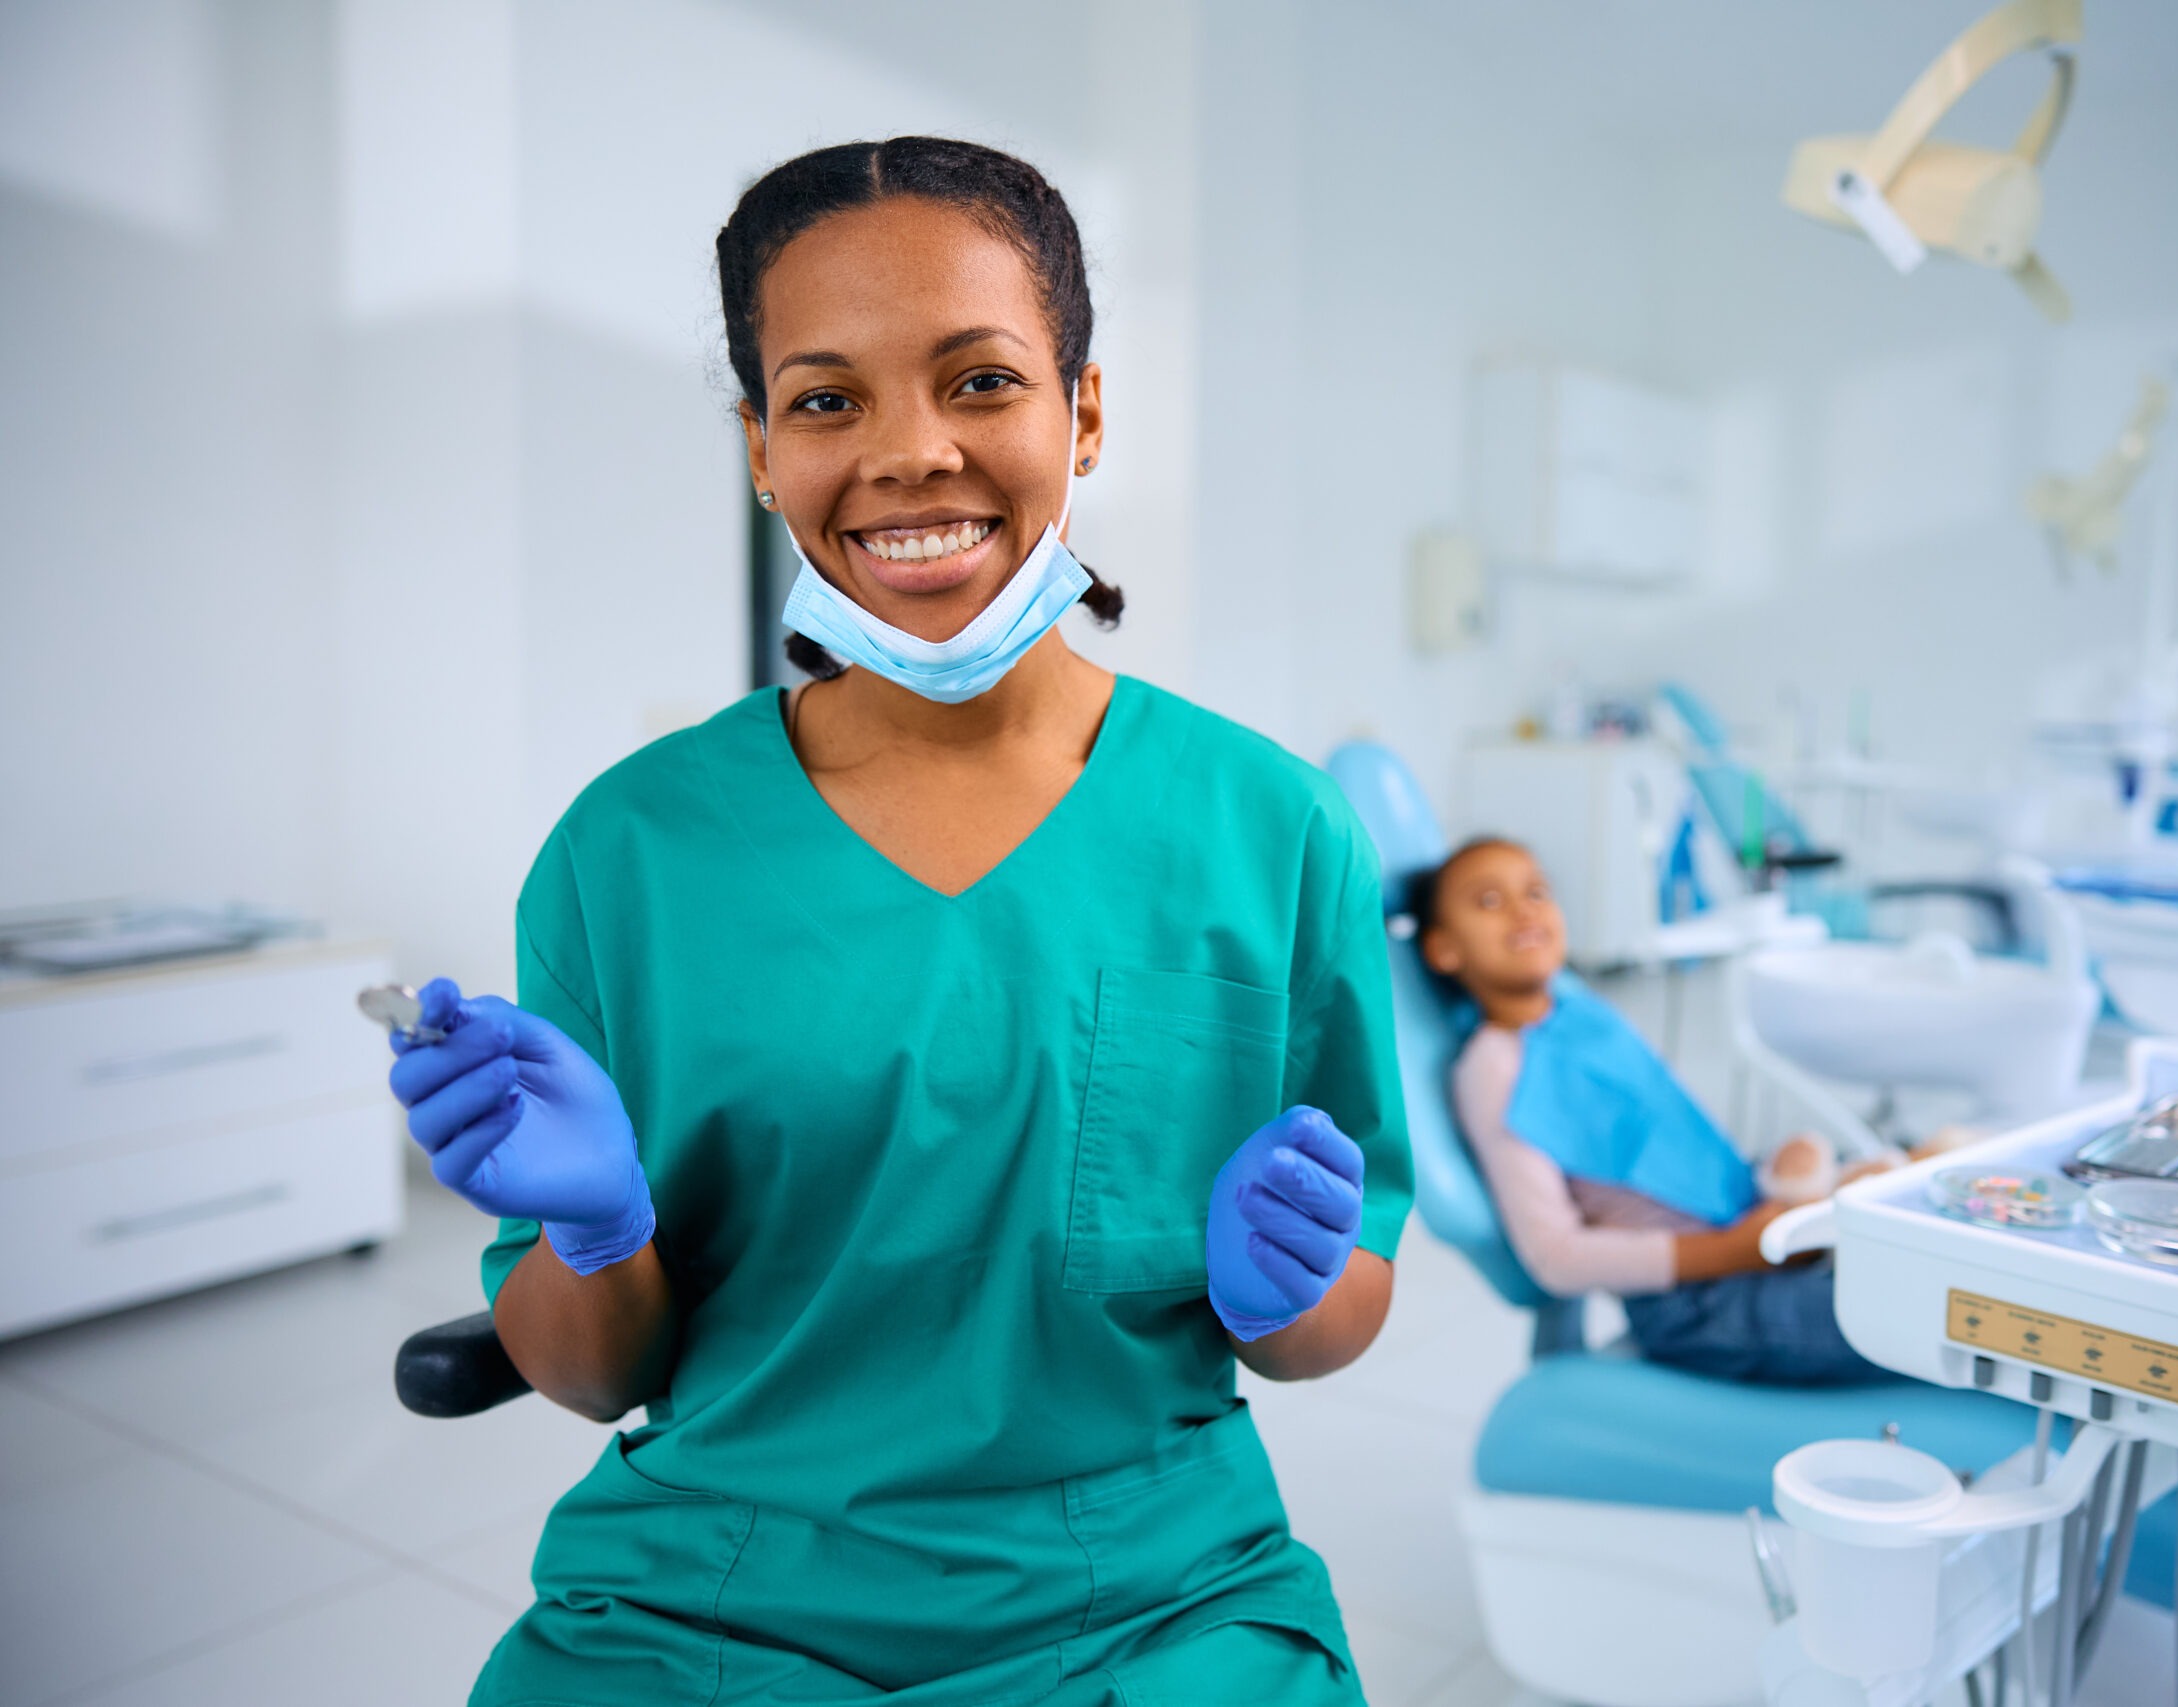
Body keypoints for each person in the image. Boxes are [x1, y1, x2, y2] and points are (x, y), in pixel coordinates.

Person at [380, 137, 1411, 1706]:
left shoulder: (1273, 835)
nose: (909, 451)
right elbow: (593, 1375)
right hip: (713, 1594)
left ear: (1085, 411)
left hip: (1152, 1590)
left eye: (980, 380)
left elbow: (1335, 1319)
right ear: (759, 449)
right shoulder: (629, 851)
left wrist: (1292, 1293)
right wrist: (598, 1230)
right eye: (826, 398)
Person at [1416, 835, 1897, 1385]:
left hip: (1745, 1224)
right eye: (1489, 901)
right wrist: (1742, 1250)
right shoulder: (1492, 1067)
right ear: (1443, 949)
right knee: (1921, 1313)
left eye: (1536, 892)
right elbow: (1555, 1257)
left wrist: (1766, 1197)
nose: (1524, 910)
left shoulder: (1582, 1014)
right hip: (1700, 1304)